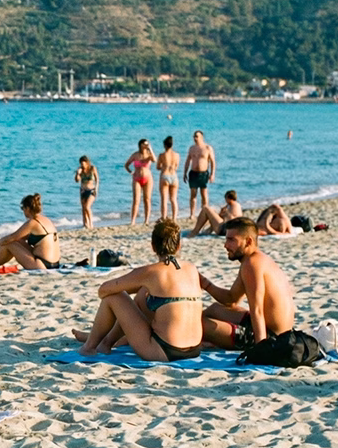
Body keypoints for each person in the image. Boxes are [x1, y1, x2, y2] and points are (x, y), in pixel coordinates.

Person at [72, 219, 203, 361]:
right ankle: (106, 343)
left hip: (165, 351)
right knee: (143, 294)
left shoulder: (150, 272)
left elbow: (103, 290)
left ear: (153, 246)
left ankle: (89, 347)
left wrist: (133, 285)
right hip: (195, 349)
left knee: (114, 297)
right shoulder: (191, 268)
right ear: (178, 246)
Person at [199, 217, 296, 350]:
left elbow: (257, 310)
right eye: (226, 239)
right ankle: (206, 338)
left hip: (271, 337)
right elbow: (231, 299)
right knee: (215, 309)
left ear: (248, 241)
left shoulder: (251, 265)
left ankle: (203, 339)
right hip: (277, 330)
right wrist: (204, 283)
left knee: (198, 324)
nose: (225, 245)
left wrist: (261, 349)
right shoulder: (256, 259)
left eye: (231, 240)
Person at [0, 194, 60, 272]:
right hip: (55, 264)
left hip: (41, 265)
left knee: (9, 243)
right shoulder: (46, 220)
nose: (23, 212)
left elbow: (11, 238)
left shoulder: (33, 222)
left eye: (23, 208)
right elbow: (19, 238)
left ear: (27, 208)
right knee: (15, 241)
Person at [183, 130, 217, 219]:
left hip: (203, 173)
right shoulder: (192, 148)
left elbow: (213, 162)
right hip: (193, 173)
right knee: (193, 194)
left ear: (202, 137)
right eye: (194, 136)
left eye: (197, 136)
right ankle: (192, 214)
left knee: (204, 194)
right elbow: (187, 161)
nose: (195, 138)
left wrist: (212, 174)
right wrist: (184, 173)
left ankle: (205, 212)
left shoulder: (207, 148)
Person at [125, 139, 155, 226]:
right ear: (140, 145)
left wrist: (150, 149)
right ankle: (133, 220)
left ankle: (146, 220)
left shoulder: (149, 154)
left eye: (147, 144)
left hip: (148, 179)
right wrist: (131, 172)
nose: (146, 145)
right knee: (136, 200)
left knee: (147, 199)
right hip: (137, 178)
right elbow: (126, 165)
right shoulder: (135, 155)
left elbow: (154, 160)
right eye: (144, 144)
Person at [156, 136, 180, 221]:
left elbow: (158, 167)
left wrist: (163, 166)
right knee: (173, 199)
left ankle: (164, 217)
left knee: (164, 199)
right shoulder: (177, 155)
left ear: (165, 145)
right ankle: (174, 218)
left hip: (165, 175)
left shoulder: (162, 155)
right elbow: (176, 167)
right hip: (174, 176)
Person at [74, 156, 99, 229]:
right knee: (83, 208)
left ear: (87, 163)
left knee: (87, 207)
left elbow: (97, 179)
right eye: (81, 163)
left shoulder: (92, 168)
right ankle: (85, 224)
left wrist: (96, 189)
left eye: (83, 163)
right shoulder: (80, 170)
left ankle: (91, 223)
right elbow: (77, 180)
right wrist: (78, 173)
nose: (82, 165)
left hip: (91, 190)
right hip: (83, 190)